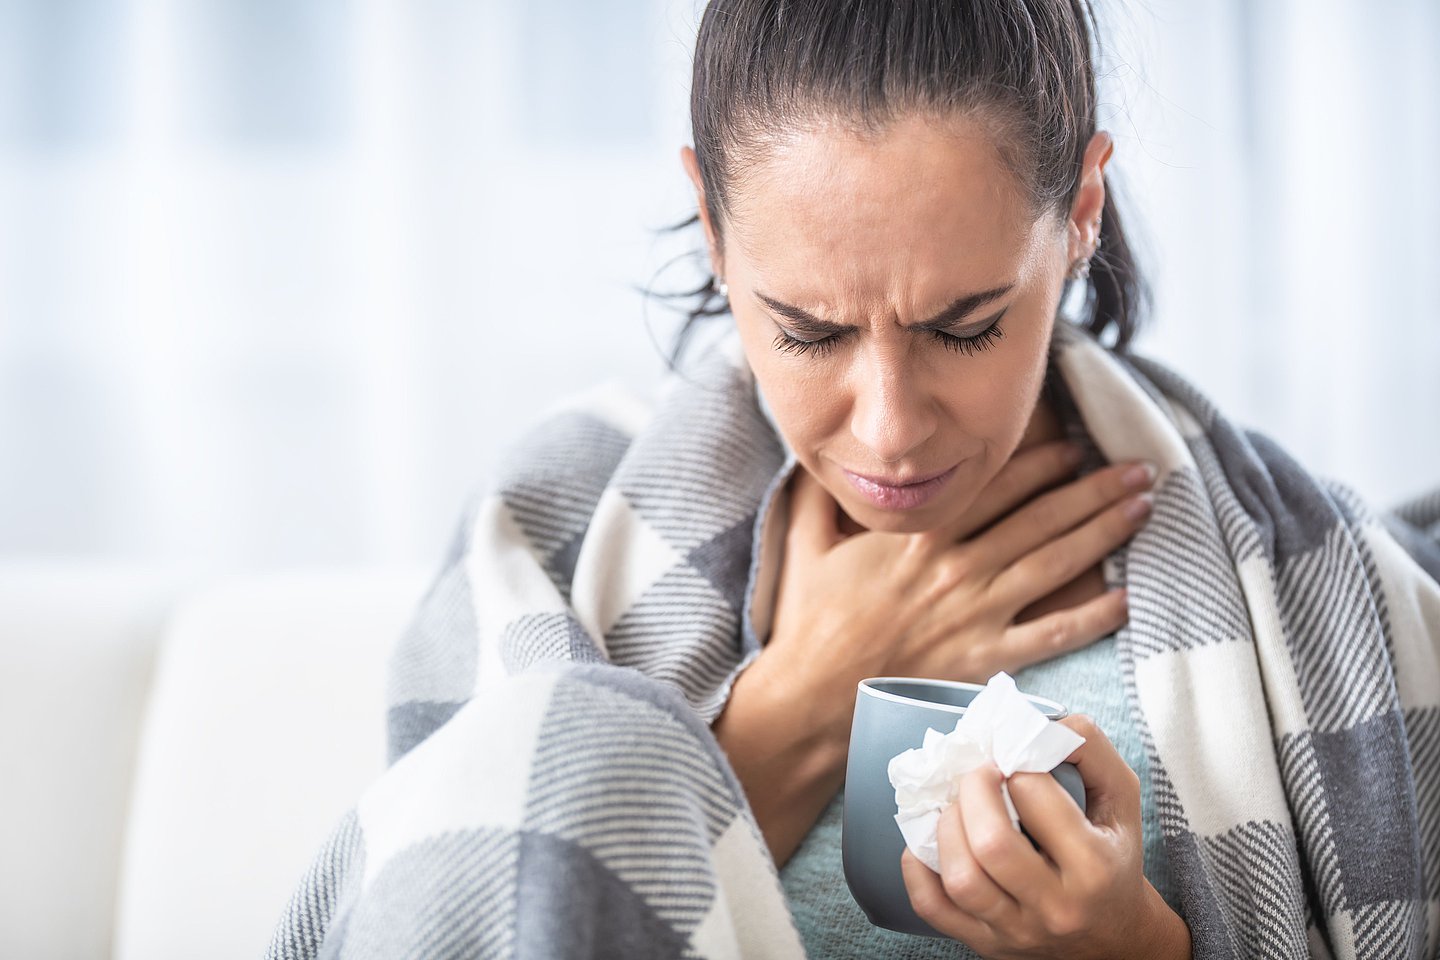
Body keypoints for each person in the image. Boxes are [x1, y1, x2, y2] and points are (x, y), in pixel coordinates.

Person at [267, 1, 1440, 958]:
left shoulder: (1299, 588)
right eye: (811, 332)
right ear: (713, 230)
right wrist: (798, 708)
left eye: (966, 328)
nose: (888, 430)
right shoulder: (551, 542)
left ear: (1081, 210)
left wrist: (1133, 949)